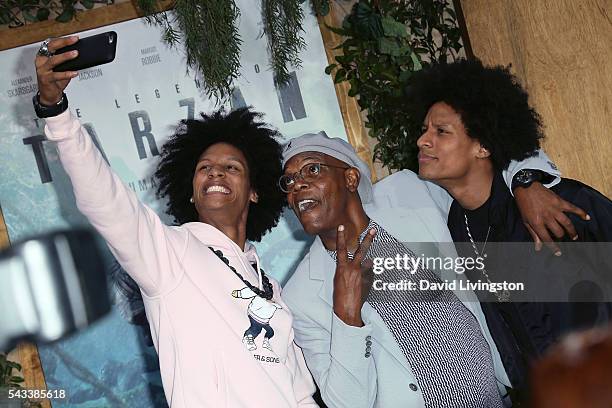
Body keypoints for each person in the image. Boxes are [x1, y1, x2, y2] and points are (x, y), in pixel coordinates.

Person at [34, 36, 317, 407]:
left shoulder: (269, 286)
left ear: (254, 191)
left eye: (232, 167)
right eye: (204, 168)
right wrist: (57, 113)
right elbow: (104, 199)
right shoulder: (169, 253)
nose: (216, 173)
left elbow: (299, 392)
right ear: (190, 190)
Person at [279, 130, 582, 407]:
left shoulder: (409, 192)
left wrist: (525, 181)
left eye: (312, 169)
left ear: (350, 178)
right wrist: (348, 318)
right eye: (288, 181)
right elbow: (346, 404)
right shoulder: (301, 295)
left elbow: (482, 164)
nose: (297, 185)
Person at [410, 58, 612, 400]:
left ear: (483, 146)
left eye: (440, 131)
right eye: (424, 129)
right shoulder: (454, 230)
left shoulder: (558, 204)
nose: (422, 141)